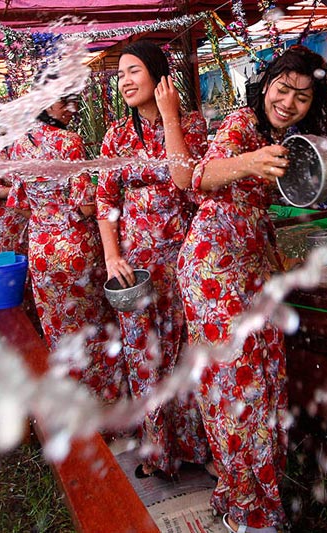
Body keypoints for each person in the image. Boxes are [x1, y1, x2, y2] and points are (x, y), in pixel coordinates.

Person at [177, 46, 327, 533]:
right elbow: (196, 178)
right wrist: (248, 162)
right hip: (212, 269)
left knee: (264, 382)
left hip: (250, 267)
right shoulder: (242, 125)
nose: (288, 102)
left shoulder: (287, 134)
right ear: (265, 86)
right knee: (236, 388)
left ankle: (240, 493)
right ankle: (251, 511)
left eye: (302, 97)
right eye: (282, 89)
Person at [95, 40, 209, 477]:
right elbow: (105, 201)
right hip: (136, 267)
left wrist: (169, 116)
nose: (124, 80)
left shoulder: (191, 125)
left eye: (133, 71)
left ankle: (199, 449)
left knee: (185, 353)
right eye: (120, 74)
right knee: (144, 353)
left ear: (158, 76)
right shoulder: (116, 136)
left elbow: (189, 182)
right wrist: (111, 255)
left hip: (185, 256)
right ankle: (159, 452)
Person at [5, 93, 120, 398]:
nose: (72, 109)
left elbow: (18, 204)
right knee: (92, 326)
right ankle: (103, 403)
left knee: (58, 330)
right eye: (64, 103)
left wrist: (47, 217)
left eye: (73, 102)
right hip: (76, 249)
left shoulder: (19, 146)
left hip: (42, 249)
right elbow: (83, 206)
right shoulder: (69, 142)